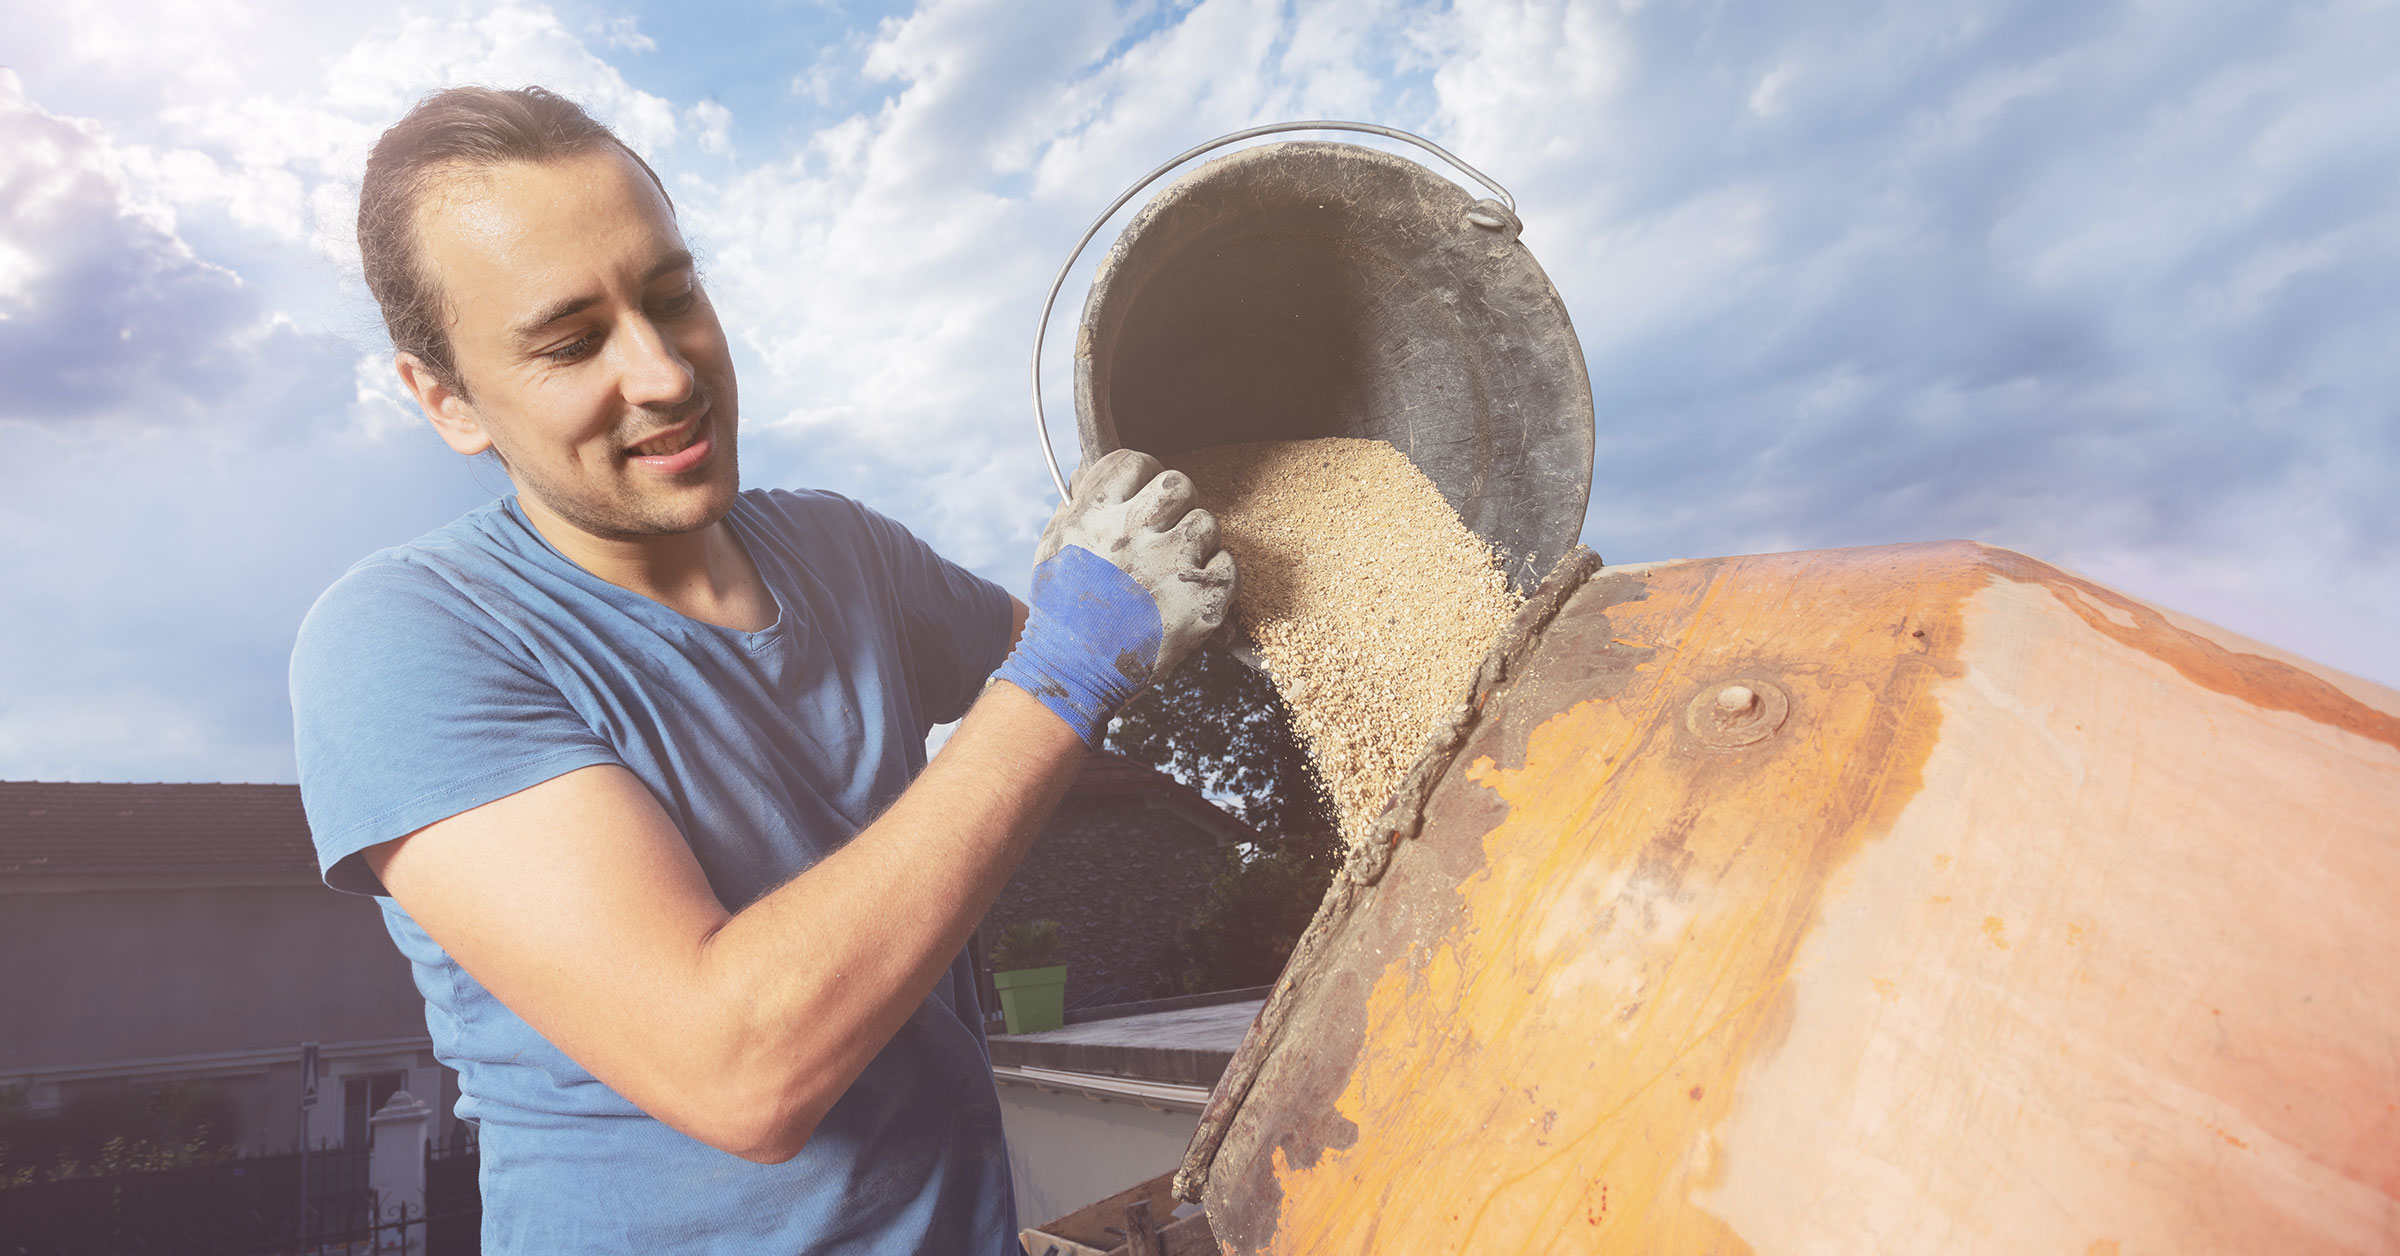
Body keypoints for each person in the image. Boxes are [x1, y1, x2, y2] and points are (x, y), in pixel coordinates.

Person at [289, 85, 1235, 1254]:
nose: (664, 372)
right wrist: (1070, 662)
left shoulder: (843, 549)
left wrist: (1186, 589)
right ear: (446, 398)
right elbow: (742, 1070)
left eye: (673, 297)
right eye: (573, 342)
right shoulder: (407, 638)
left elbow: (1092, 676)